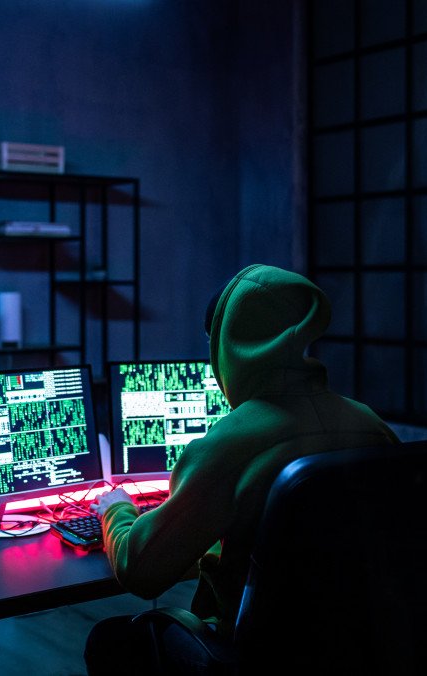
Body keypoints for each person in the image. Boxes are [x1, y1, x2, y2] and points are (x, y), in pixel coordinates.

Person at [83, 263, 399, 674]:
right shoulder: (372, 426)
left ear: (229, 347)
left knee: (110, 642)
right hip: (366, 648)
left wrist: (116, 509)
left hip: (261, 655)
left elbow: (142, 571)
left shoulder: (227, 446)